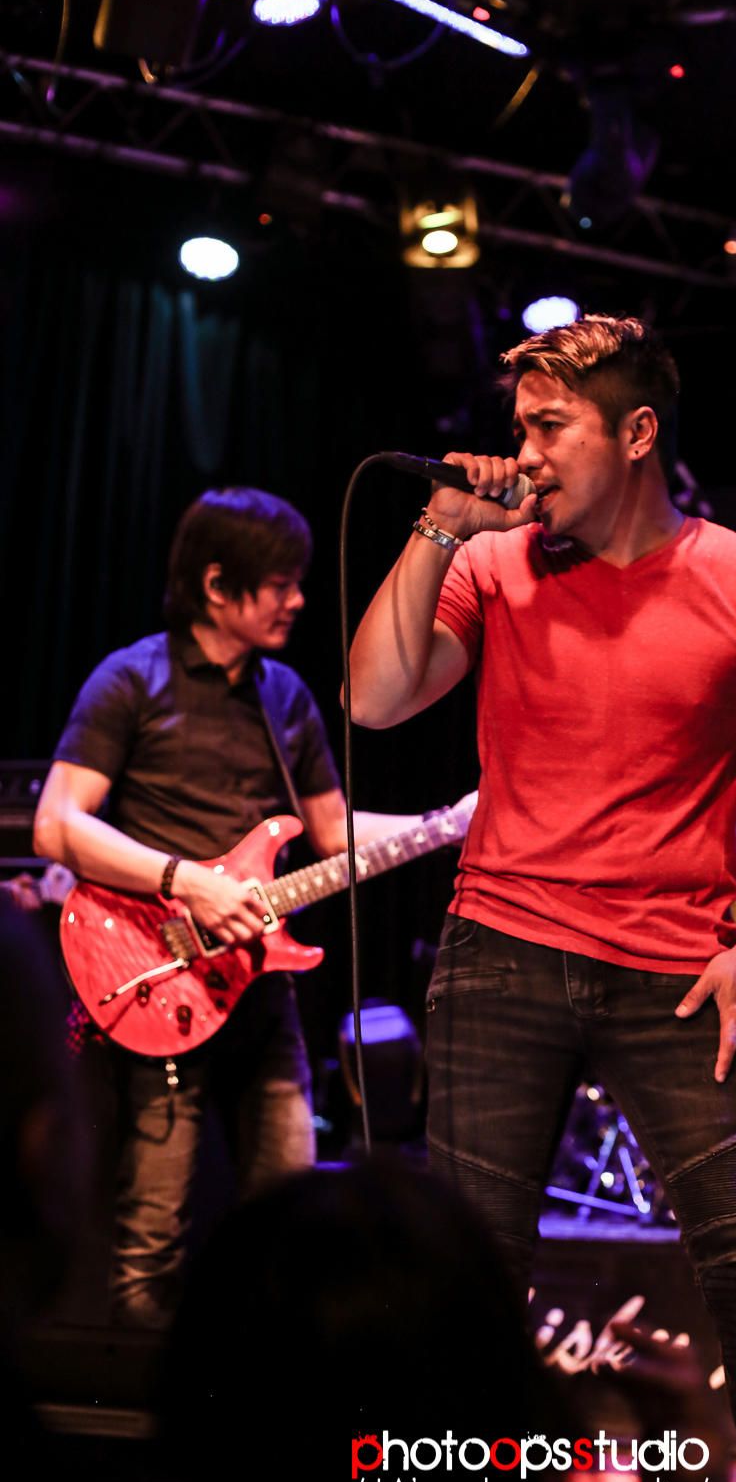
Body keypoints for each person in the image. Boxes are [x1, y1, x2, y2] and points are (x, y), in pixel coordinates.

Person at [347, 315, 736, 1482]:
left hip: (678, 971)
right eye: (519, 427)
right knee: (468, 1276)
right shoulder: (492, 563)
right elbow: (376, 696)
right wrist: (441, 524)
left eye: (549, 427)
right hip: (500, 955)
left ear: (636, 432)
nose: (525, 453)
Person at [33, 487, 453, 1329]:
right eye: (280, 584)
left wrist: (449, 824)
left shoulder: (285, 695)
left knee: (291, 1215)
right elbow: (57, 823)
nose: (298, 599)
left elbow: (332, 832)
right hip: (160, 981)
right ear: (218, 586)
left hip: (261, 991)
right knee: (152, 1235)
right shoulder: (130, 679)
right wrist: (187, 881)